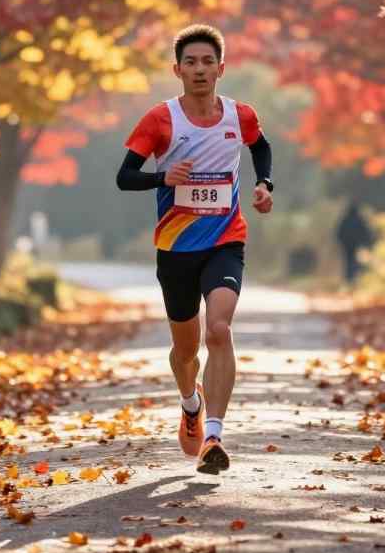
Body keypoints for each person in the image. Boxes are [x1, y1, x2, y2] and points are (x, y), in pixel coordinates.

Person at [116, 24, 273, 474]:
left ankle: (214, 437)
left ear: (221, 68)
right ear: (177, 69)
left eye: (208, 62)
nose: (200, 69)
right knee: (185, 351)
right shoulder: (160, 119)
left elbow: (261, 148)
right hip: (176, 248)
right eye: (191, 62)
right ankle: (191, 404)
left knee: (218, 331)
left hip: (226, 239)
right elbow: (124, 177)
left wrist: (264, 184)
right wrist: (162, 177)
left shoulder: (239, 115)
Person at [335, 199, 375, 285]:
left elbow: (339, 232)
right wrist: (367, 243)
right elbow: (365, 232)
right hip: (356, 245)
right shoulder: (359, 220)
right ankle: (355, 280)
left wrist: (342, 242)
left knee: (349, 262)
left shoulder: (345, 220)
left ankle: (350, 279)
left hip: (347, 245)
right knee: (355, 262)